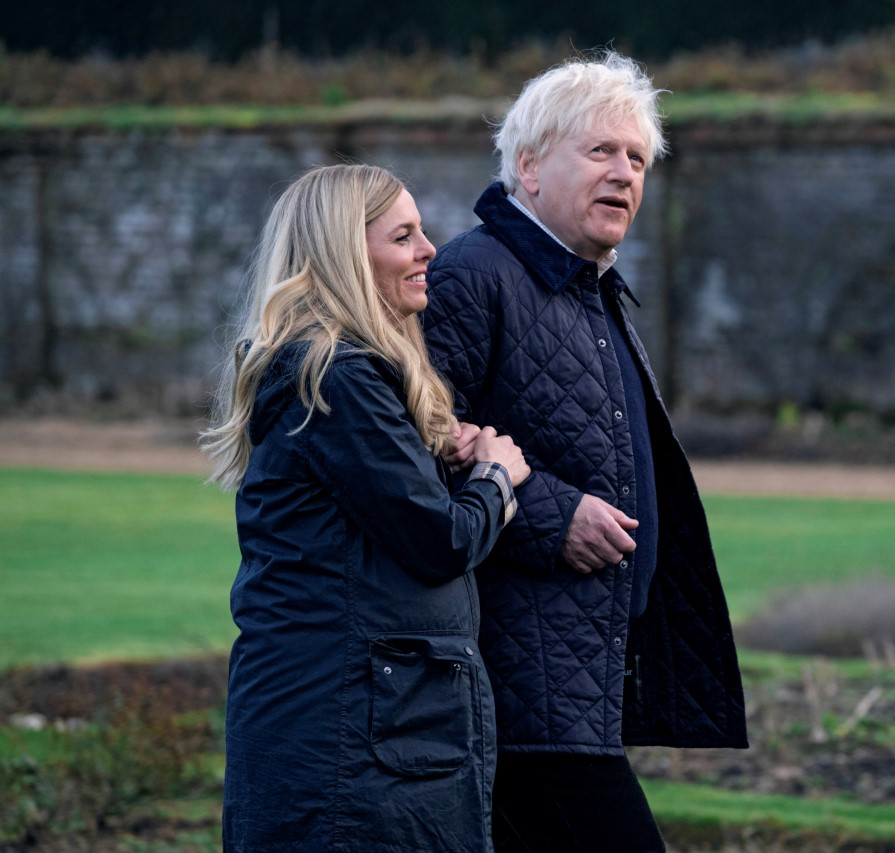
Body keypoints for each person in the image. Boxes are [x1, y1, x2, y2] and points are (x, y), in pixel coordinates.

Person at [422, 51, 748, 851]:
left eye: (637, 158)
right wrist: (551, 513)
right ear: (528, 167)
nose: (625, 173)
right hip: (515, 682)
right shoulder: (474, 275)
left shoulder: (590, 288)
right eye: (600, 151)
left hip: (578, 679)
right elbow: (418, 444)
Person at [201, 163, 529, 852]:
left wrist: (439, 455)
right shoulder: (337, 375)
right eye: (404, 235)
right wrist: (497, 480)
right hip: (350, 738)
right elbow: (437, 541)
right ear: (347, 256)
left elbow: (370, 520)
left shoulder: (336, 373)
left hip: (363, 727)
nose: (429, 250)